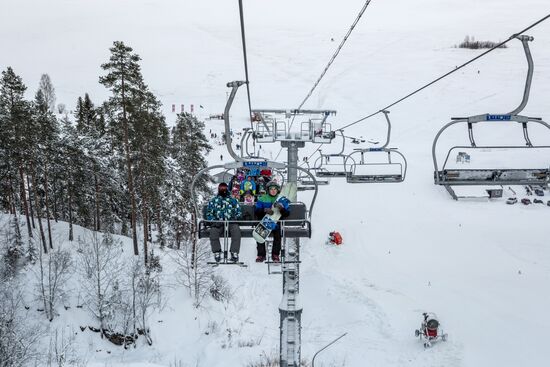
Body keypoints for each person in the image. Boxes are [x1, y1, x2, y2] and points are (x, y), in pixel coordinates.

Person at [205, 183, 242, 263]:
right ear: (219, 189)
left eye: (224, 188)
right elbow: (209, 213)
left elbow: (239, 212)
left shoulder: (233, 200)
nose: (223, 190)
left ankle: (234, 252)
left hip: (230, 222)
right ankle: (217, 251)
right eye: (221, 188)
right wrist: (214, 221)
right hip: (218, 222)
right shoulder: (214, 200)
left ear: (227, 189)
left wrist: (234, 218)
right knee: (213, 232)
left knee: (236, 231)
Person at [254, 181, 290, 263]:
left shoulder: (282, 199)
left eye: (275, 189)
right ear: (268, 190)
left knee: (277, 236)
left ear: (278, 190)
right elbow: (256, 212)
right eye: (271, 189)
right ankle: (261, 255)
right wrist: (264, 210)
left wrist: (282, 208)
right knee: (260, 234)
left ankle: (275, 254)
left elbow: (287, 213)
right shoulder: (262, 199)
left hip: (276, 222)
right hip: (265, 221)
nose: (273, 191)